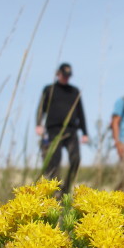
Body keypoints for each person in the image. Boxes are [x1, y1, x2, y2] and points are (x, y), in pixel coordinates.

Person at [36, 63, 89, 195]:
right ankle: (56, 191)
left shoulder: (74, 91)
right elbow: (41, 108)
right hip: (54, 131)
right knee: (54, 162)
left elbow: (81, 112)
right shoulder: (49, 89)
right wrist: (38, 124)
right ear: (58, 74)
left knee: (76, 159)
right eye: (64, 75)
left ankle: (66, 188)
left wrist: (85, 132)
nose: (66, 78)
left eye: (68, 76)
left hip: (71, 131)